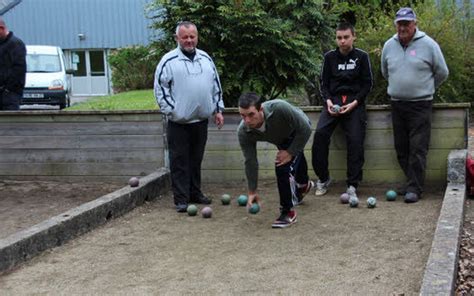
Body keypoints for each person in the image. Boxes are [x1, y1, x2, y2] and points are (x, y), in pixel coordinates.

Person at [154, 21, 225, 212]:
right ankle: (181, 199)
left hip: (201, 121)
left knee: (196, 159)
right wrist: (173, 111)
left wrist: (218, 110)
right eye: (184, 37)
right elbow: (160, 89)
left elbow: (215, 86)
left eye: (192, 36)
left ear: (197, 37)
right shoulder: (168, 61)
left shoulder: (206, 59)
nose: (189, 40)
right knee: (179, 161)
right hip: (179, 122)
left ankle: (195, 193)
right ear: (177, 38)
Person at [381, 7, 449, 203]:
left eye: (406, 24)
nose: (402, 27)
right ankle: (412, 182)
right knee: (401, 148)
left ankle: (415, 189)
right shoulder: (388, 45)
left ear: (414, 24)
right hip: (397, 104)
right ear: (396, 25)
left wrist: (427, 87)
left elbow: (442, 72)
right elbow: (385, 72)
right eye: (399, 24)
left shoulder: (429, 45)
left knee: (418, 148)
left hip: (421, 105)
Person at [311, 22, 373, 197]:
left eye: (346, 37)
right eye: (339, 38)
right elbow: (324, 84)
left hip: (355, 104)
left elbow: (368, 84)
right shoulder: (329, 57)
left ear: (353, 37)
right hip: (333, 103)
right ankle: (323, 179)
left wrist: (354, 103)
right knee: (320, 136)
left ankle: (352, 184)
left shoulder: (362, 57)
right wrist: (329, 102)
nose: (343, 41)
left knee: (355, 141)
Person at [237, 92, 313, 228]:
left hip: (298, 129)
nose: (247, 120)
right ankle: (303, 185)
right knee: (294, 162)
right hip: (281, 138)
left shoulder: (279, 108)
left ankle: (288, 212)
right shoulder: (244, 131)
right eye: (242, 115)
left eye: (251, 114)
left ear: (260, 109)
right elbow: (250, 161)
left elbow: (306, 129)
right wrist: (252, 191)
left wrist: (290, 152)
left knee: (283, 166)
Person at [0, 17, 26, 111]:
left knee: (9, 123)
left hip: (10, 95)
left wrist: (7, 89)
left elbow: (19, 70)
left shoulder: (16, 44)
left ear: (1, 28)